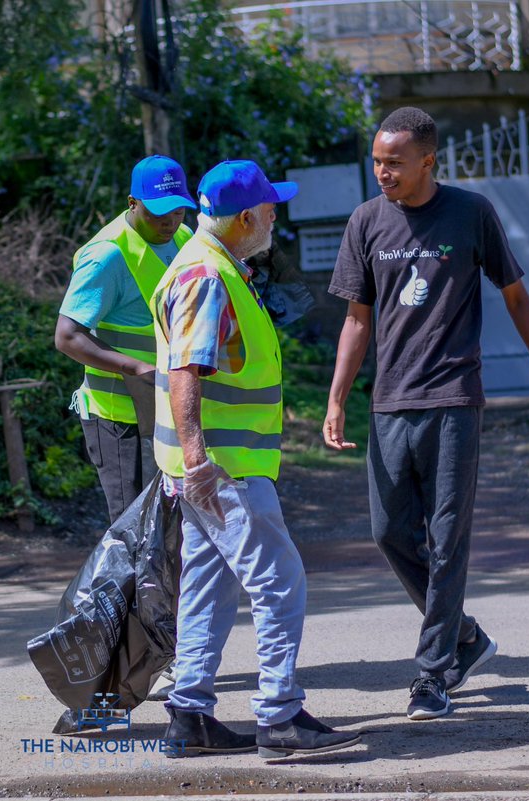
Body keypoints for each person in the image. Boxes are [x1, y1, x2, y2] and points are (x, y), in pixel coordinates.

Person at [323, 106, 529, 721]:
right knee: (388, 533)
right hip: (389, 403)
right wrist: (336, 398)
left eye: (394, 162)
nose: (382, 172)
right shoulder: (365, 221)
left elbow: (516, 297)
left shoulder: (470, 213)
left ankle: (434, 674)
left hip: (455, 398)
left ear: (428, 161)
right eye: (376, 160)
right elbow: (357, 320)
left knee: (447, 539)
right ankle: (465, 635)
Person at [152, 160, 361, 759]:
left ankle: (189, 716)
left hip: (209, 468)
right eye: (271, 209)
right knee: (280, 581)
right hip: (223, 469)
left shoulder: (211, 267)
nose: (276, 217)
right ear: (247, 217)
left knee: (209, 589)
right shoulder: (204, 274)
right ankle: (279, 716)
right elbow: (187, 371)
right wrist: (198, 461)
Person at [53, 154, 196, 714]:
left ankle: (165, 652)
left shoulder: (183, 236)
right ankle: (126, 663)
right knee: (135, 544)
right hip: (116, 419)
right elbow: (67, 336)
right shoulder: (106, 254)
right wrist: (134, 369)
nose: (168, 220)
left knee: (171, 537)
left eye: (176, 208)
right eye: (157, 210)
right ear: (133, 201)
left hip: (163, 412)